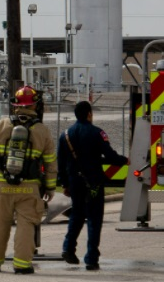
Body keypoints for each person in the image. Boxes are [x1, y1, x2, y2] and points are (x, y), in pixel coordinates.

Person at [0, 85, 57, 274]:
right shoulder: (42, 131)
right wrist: (49, 188)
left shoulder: (0, 125)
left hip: (1, 185)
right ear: (35, 105)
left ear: (15, 105)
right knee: (26, 226)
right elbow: (50, 163)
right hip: (29, 187)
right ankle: (22, 264)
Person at [58, 100, 127, 271]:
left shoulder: (65, 135)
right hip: (94, 183)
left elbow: (61, 163)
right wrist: (124, 161)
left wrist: (65, 183)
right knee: (94, 218)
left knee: (77, 214)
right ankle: (91, 258)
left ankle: (68, 248)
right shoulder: (97, 133)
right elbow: (110, 156)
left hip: (75, 182)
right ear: (89, 114)